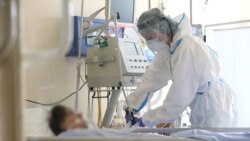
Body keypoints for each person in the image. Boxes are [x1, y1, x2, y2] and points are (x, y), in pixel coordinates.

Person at [125, 8, 238, 128]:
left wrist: (146, 120)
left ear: (162, 29)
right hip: (202, 105)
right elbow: (151, 79)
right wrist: (130, 105)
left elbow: (177, 100)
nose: (149, 42)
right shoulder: (168, 49)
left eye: (150, 37)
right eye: (146, 39)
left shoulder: (187, 49)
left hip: (216, 106)